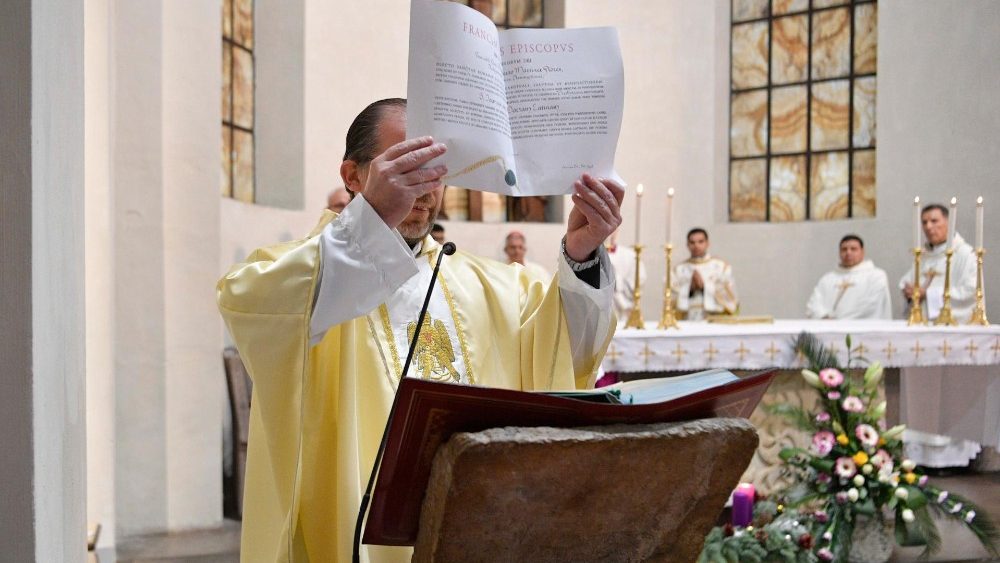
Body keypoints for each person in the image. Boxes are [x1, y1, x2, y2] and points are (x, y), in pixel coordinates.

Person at [217, 98, 621, 562]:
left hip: (475, 523)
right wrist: (374, 218)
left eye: (435, 172)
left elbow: (566, 344)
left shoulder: (491, 283)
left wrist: (583, 254)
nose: (426, 190)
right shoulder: (300, 272)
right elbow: (255, 303)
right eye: (406, 170)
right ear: (352, 176)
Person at [899, 203, 978, 321]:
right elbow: (908, 283)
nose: (928, 227)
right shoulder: (924, 256)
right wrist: (909, 291)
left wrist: (928, 294)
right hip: (922, 326)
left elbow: (971, 291)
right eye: (924, 222)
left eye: (934, 221)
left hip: (953, 327)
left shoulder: (966, 254)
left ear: (949, 222)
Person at [806, 235, 892, 320]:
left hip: (861, 329)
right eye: (844, 249)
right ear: (839, 253)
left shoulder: (876, 276)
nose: (848, 253)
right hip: (827, 328)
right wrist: (824, 317)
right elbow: (814, 304)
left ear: (862, 252)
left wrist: (838, 321)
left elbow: (872, 305)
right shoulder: (827, 279)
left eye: (853, 249)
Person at [673, 228, 739, 320]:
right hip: (687, 319)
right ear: (687, 245)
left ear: (707, 243)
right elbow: (671, 298)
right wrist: (690, 289)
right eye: (692, 242)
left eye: (700, 242)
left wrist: (704, 287)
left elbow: (729, 296)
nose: (696, 246)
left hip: (714, 317)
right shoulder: (678, 269)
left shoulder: (721, 266)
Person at [606, 228, 645, 324]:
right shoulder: (588, 254)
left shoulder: (630, 256)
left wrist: (618, 283)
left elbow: (638, 281)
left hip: (624, 312)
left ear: (617, 230)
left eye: (612, 227)